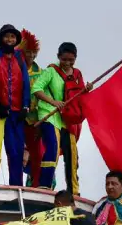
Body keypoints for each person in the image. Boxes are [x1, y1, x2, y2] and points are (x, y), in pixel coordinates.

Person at [31, 42, 92, 194]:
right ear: (59, 57)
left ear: (75, 58)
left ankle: (74, 191)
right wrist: (54, 102)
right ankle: (45, 186)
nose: (67, 63)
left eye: (71, 60)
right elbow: (36, 89)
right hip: (49, 114)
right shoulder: (51, 71)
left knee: (72, 155)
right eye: (64, 59)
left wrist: (87, 90)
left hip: (68, 119)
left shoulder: (77, 74)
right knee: (52, 147)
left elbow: (78, 96)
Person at [0, 24, 31, 186]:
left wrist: (25, 106)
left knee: (15, 150)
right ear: (1, 38)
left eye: (13, 37)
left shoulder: (19, 58)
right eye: (7, 36)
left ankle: (16, 185)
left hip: (16, 112)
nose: (10, 39)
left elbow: (25, 82)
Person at [19, 29, 44, 187]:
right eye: (28, 52)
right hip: (17, 119)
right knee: (16, 157)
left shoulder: (41, 73)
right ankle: (16, 187)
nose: (32, 56)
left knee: (39, 157)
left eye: (34, 52)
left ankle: (36, 187)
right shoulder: (14, 69)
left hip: (36, 121)